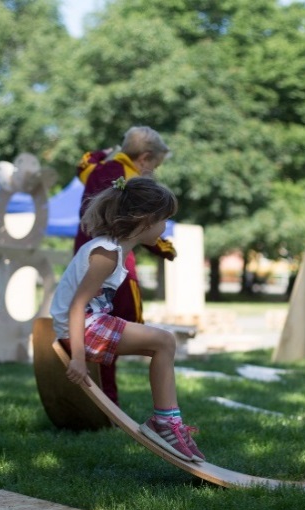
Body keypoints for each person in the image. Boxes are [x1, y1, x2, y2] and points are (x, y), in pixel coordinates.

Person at [51, 176, 204, 462]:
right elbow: (76, 306)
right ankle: (166, 422)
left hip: (87, 325)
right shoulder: (106, 254)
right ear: (146, 220)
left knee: (162, 345)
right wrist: (78, 358)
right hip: (81, 328)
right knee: (164, 341)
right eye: (164, 220)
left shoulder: (111, 249)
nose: (164, 227)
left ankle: (168, 420)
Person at [74, 126, 176, 405]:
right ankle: (109, 399)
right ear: (144, 158)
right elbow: (143, 227)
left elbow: (82, 163)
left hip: (81, 257)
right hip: (117, 266)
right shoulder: (131, 185)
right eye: (154, 166)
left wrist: (104, 153)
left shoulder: (95, 170)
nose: (152, 172)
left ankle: (99, 396)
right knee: (123, 325)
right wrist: (167, 248)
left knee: (99, 323)